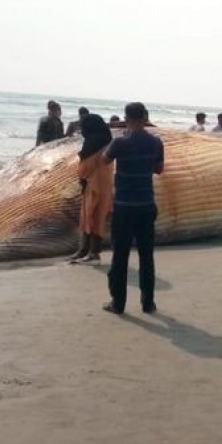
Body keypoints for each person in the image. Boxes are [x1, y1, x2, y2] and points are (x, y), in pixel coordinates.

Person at [102, 102, 164, 315]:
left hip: (124, 207)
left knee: (120, 256)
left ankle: (118, 303)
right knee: (147, 256)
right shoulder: (156, 143)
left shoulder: (120, 143)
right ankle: (148, 303)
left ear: (126, 118)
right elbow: (159, 169)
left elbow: (104, 160)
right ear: (145, 117)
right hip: (146, 205)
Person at [67, 115, 114, 266]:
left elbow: (85, 168)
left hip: (93, 185)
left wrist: (81, 176)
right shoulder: (107, 141)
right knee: (93, 218)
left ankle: (92, 252)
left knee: (91, 218)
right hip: (102, 185)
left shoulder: (93, 145)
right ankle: (86, 250)